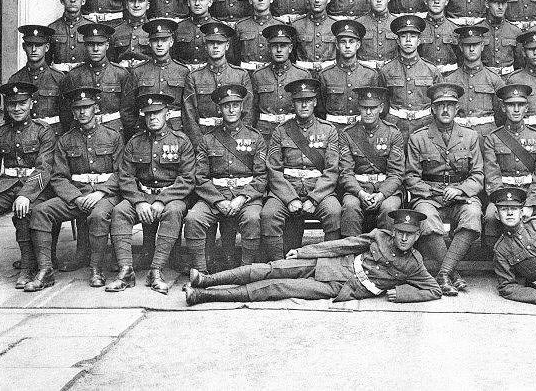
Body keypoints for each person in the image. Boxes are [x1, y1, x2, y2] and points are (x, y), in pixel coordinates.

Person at [184, 208, 441, 305]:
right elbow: (341, 245)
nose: (403, 238)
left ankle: (203, 296)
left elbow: (434, 290)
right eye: (400, 233)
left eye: (409, 235)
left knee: (275, 287)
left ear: (417, 236)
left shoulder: (414, 264)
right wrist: (304, 251)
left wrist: (404, 294)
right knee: (270, 268)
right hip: (330, 263)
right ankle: (205, 280)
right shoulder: (379, 236)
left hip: (338, 285)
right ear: (393, 231)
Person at [23, 87, 122, 291]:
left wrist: (101, 192)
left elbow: (123, 173)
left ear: (96, 108)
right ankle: (45, 269)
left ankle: (96, 268)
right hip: (76, 196)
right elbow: (58, 177)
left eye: (87, 107)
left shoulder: (113, 137)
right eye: (78, 109)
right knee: (40, 212)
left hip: (105, 195)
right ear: (73, 112)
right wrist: (76, 198)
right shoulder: (65, 140)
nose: (82, 113)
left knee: (98, 216)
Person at [107, 93, 195, 294]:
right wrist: (138, 201)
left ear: (168, 114)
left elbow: (187, 179)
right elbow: (126, 177)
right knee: (120, 210)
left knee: (173, 212)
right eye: (148, 114)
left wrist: (162, 201)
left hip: (172, 196)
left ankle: (156, 270)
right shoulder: (135, 142)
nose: (152, 118)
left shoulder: (181, 141)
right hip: (142, 196)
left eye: (157, 113)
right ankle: (126, 271)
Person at [405, 82, 484, 295]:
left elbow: (477, 175)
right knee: (425, 217)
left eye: (450, 105)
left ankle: (443, 273)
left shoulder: (470, 136)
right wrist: (433, 193)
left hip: (460, 194)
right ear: (432, 108)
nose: (446, 110)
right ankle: (452, 273)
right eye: (441, 105)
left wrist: (460, 190)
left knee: (473, 213)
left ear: (457, 108)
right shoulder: (418, 137)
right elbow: (411, 176)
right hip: (429, 195)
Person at [184, 84, 266, 271]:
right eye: (226, 105)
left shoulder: (255, 137)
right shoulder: (208, 139)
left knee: (253, 219)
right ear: (219, 109)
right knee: (193, 219)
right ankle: (200, 271)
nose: (231, 109)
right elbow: (200, 177)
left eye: (235, 105)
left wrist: (242, 197)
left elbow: (261, 176)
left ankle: (246, 270)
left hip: (245, 196)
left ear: (242, 107)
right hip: (216, 194)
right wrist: (218, 201)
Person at [0, 83, 55, 286]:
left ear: (31, 103)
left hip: (35, 187)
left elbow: (44, 168)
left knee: (24, 211)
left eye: (22, 103)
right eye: (12, 104)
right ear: (6, 106)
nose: (17, 108)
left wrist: (26, 194)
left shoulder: (43, 131)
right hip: (6, 185)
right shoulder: (0, 134)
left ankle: (27, 268)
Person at [260, 78, 341, 261]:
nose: (304, 105)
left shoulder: (328, 130)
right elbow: (274, 170)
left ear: (315, 102)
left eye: (308, 100)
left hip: (318, 190)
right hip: (287, 189)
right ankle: (277, 264)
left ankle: (327, 265)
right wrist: (289, 199)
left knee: (334, 212)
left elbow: (331, 171)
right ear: (293, 103)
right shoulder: (281, 131)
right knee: (269, 214)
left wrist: (314, 198)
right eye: (299, 101)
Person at [482, 84, 536, 241]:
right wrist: (504, 205)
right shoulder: (493, 139)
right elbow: (492, 177)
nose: (516, 109)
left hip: (531, 195)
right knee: (490, 217)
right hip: (502, 195)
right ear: (503, 107)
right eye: (511, 105)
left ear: (526, 108)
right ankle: (496, 261)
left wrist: (530, 204)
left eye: (520, 105)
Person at [339, 86, 405, 237]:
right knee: (350, 206)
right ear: (359, 108)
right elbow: (345, 172)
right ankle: (351, 255)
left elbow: (396, 173)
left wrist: (381, 195)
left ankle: (385, 255)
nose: (368, 112)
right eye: (364, 108)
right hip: (358, 188)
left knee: (389, 209)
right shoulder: (348, 134)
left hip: (386, 189)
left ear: (381, 108)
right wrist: (361, 193)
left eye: (373, 108)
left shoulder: (392, 133)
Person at [182, 22, 254, 146]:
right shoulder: (194, 77)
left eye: (219, 43)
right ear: (205, 46)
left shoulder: (241, 75)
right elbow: (189, 115)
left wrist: (240, 139)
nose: (215, 46)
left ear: (227, 45)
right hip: (205, 135)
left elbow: (248, 111)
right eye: (211, 43)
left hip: (235, 138)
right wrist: (200, 144)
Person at [62, 24, 134, 136]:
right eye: (91, 44)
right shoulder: (74, 75)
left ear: (107, 45)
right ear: (85, 46)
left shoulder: (121, 73)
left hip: (114, 132)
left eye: (100, 44)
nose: (95, 49)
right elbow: (67, 114)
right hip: (82, 133)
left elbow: (128, 112)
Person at [380, 15, 441, 140]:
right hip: (395, 126)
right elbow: (382, 103)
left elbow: (439, 103)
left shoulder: (431, 70)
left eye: (413, 36)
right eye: (403, 36)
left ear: (419, 41)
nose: (408, 40)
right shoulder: (386, 70)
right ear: (398, 41)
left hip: (425, 126)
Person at [126, 18, 190, 133]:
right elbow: (128, 109)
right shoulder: (138, 72)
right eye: (155, 40)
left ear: (171, 42)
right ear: (149, 43)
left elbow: (188, 110)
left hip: (176, 130)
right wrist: (136, 133)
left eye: (164, 40)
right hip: (145, 131)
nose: (159, 44)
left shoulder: (183, 71)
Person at [319, 19, 383, 129]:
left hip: (362, 129)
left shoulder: (370, 74)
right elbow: (320, 109)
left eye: (351, 42)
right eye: (343, 42)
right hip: (334, 129)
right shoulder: (325, 75)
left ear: (358, 45)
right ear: (337, 45)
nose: (347, 46)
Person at [251, 24, 312, 138]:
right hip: (265, 132)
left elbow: (309, 110)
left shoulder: (302, 74)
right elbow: (252, 110)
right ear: (269, 48)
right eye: (274, 46)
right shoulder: (258, 75)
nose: (279, 50)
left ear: (290, 48)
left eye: (283, 46)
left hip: (294, 130)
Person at [447, 25, 505, 137]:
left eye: (475, 45)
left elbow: (502, 115)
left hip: (486, 137)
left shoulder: (494, 79)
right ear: (460, 47)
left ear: (482, 46)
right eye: (467, 45)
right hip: (458, 136)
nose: (472, 49)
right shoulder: (450, 80)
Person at [9, 26, 66, 134]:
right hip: (25, 140)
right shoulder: (15, 79)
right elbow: (9, 119)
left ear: (47, 47)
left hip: (53, 137)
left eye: (39, 45)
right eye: (30, 45)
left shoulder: (59, 78)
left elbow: (67, 118)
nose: (34, 49)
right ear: (23, 47)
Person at [234, 0, 282, 71]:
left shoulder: (280, 26)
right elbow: (234, 58)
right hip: (248, 75)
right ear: (250, 0)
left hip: (271, 74)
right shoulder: (241, 27)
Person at [292, 0, 337, 73]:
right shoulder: (297, 25)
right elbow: (292, 55)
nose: (317, 0)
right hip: (303, 74)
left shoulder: (335, 25)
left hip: (330, 74)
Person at [174, 0, 219, 70]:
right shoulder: (178, 28)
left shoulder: (218, 27)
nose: (197, 3)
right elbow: (173, 57)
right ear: (188, 2)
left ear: (210, 2)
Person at [48, 0, 92, 72]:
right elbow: (46, 61)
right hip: (60, 78)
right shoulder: (52, 28)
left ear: (83, 1)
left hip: (84, 77)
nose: (73, 0)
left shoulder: (90, 27)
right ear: (62, 1)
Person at [480, 0, 521, 76]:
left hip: (509, 78)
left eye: (503, 3)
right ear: (487, 3)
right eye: (496, 3)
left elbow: (520, 64)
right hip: (486, 79)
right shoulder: (479, 30)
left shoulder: (515, 31)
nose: (500, 7)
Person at [418, 0, 459, 73]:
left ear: (447, 1)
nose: (436, 1)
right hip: (425, 77)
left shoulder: (455, 29)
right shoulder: (419, 29)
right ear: (425, 1)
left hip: (450, 77)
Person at [109, 0, 153, 66]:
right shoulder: (115, 31)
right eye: (132, 1)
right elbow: (111, 62)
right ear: (126, 4)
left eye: (141, 1)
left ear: (148, 5)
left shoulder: (153, 30)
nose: (136, 5)